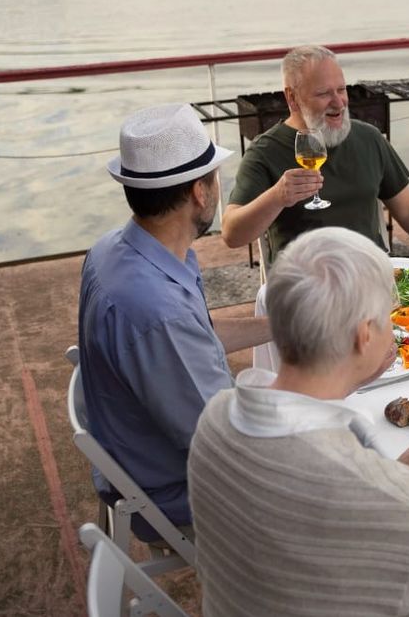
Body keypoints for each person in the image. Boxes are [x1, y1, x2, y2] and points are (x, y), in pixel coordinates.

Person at [188, 227, 409, 617]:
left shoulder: (216, 419)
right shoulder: (369, 491)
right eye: (387, 318)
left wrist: (397, 474)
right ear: (364, 335)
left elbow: (310, 522)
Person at [78, 103, 271, 544]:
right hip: (173, 489)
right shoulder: (155, 310)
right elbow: (228, 448)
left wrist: (283, 324)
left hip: (136, 446)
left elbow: (196, 339)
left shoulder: (118, 249)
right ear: (200, 193)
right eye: (216, 177)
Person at [221, 44, 409, 262]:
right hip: (306, 285)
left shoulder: (368, 138)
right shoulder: (265, 152)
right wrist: (276, 197)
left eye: (341, 90)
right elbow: (232, 234)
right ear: (292, 98)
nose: (339, 102)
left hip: (370, 274)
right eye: (323, 93)